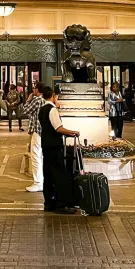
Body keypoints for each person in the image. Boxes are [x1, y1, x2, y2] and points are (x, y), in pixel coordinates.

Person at [39, 85, 80, 213]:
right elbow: (58, 128)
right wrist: (73, 132)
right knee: (59, 174)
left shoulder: (42, 109)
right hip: (54, 146)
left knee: (48, 174)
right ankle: (61, 204)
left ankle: (49, 203)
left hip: (45, 145)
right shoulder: (52, 110)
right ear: (53, 96)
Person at [24, 85, 44, 193]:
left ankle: (38, 183)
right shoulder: (45, 100)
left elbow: (25, 110)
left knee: (35, 156)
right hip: (44, 131)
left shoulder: (37, 100)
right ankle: (42, 181)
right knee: (41, 156)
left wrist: (28, 100)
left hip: (37, 130)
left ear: (37, 90)